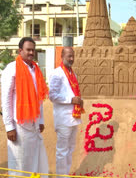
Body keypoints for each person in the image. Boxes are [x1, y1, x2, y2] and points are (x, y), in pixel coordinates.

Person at [1, 37, 48, 177]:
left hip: (34, 124)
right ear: (20, 50)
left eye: (33, 50)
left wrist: (40, 120)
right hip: (19, 125)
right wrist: (9, 126)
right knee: (19, 164)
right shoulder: (12, 68)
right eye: (28, 50)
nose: (31, 52)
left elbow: (38, 98)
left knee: (35, 162)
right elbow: (6, 99)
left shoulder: (36, 69)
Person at [49, 47, 84, 177]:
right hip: (63, 118)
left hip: (73, 117)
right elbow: (52, 96)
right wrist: (71, 100)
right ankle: (61, 176)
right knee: (62, 150)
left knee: (70, 149)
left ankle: (66, 174)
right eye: (69, 56)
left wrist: (79, 100)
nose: (71, 59)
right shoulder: (57, 73)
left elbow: (72, 92)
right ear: (62, 56)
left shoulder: (72, 73)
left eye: (73, 56)